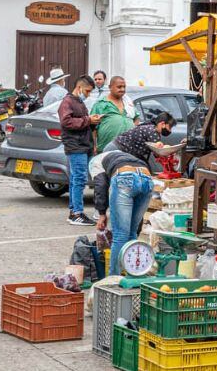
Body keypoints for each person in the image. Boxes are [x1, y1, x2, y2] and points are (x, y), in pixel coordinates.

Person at [95, 113, 173, 271]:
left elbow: (100, 186)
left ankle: (114, 277)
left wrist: (101, 213)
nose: (169, 130)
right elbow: (159, 148)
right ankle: (131, 272)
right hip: (143, 176)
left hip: (126, 175)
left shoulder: (148, 129)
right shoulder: (151, 130)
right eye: (169, 127)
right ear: (162, 123)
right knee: (130, 233)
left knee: (121, 235)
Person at [56, 75, 102, 227]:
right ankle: (77, 213)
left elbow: (81, 121)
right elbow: (67, 121)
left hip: (83, 145)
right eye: (87, 91)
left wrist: (92, 120)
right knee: (79, 180)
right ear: (79, 87)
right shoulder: (67, 102)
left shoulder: (79, 102)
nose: (88, 94)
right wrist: (88, 120)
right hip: (76, 146)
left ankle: (74, 212)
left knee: (76, 179)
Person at [92, 76, 133, 152]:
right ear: (110, 87)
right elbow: (92, 128)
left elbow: (136, 118)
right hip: (106, 149)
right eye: (119, 87)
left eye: (124, 87)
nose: (122, 89)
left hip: (128, 149)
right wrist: (94, 146)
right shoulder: (101, 104)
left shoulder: (128, 103)